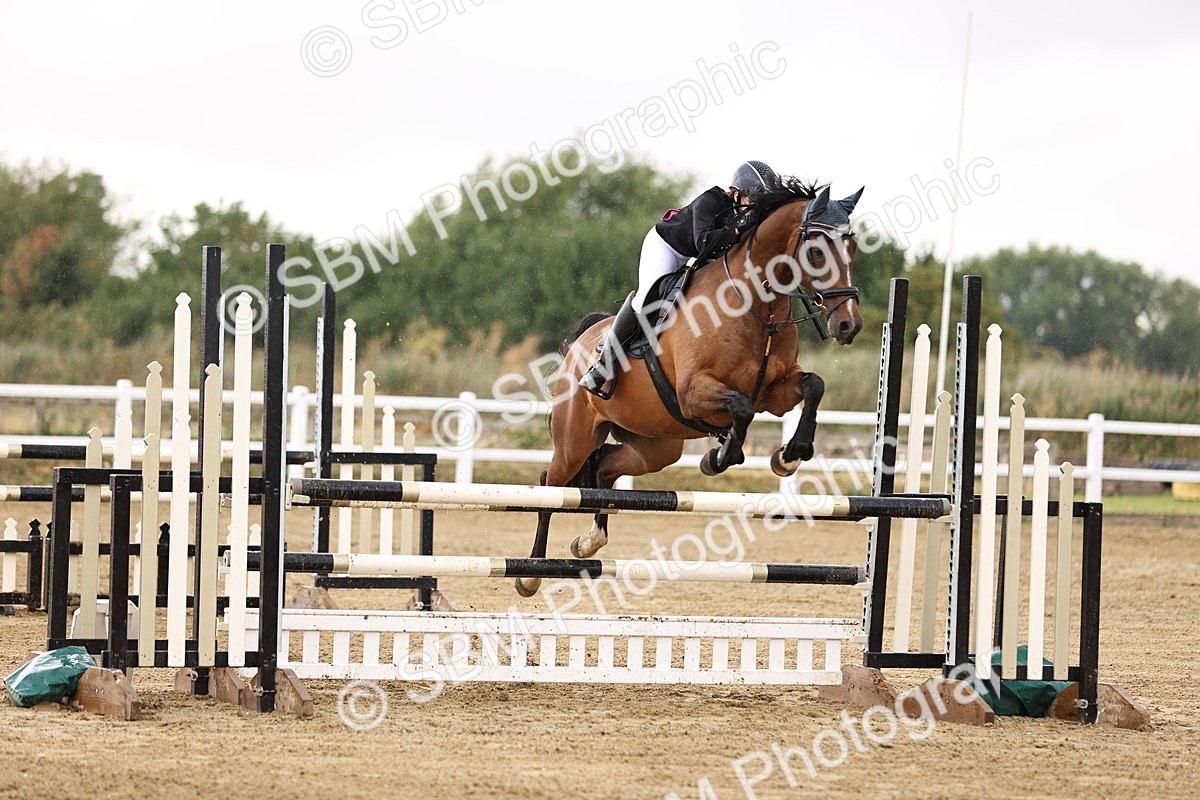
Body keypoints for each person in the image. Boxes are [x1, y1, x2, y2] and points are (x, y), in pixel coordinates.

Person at [578, 160, 782, 398]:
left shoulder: (748, 213)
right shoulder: (711, 201)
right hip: (666, 247)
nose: (756, 210)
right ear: (736, 194)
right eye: (753, 201)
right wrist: (740, 226)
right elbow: (704, 244)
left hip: (695, 256)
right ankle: (601, 367)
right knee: (646, 299)